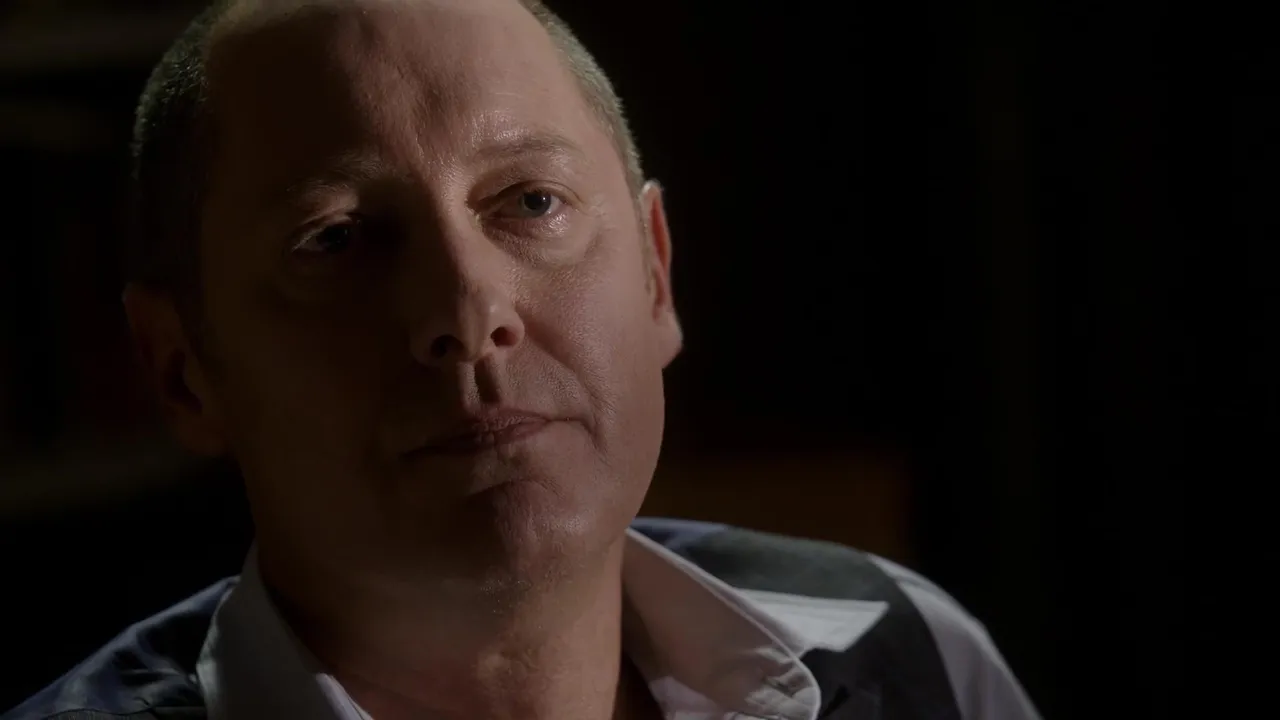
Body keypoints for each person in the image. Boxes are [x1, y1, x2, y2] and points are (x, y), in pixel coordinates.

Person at [4, 1, 1041, 718]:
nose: (466, 312)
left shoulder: (907, 650)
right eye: (337, 239)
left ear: (654, 276)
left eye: (531, 202)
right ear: (183, 370)